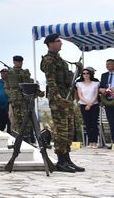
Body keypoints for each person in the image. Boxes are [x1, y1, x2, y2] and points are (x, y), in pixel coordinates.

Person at [41, 33, 84, 172]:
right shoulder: (49, 60)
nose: (61, 43)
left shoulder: (60, 59)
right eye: (58, 41)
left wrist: (79, 69)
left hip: (67, 98)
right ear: (50, 44)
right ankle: (61, 161)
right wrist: (58, 98)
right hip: (59, 99)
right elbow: (51, 81)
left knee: (69, 129)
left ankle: (67, 159)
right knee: (61, 130)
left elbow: (68, 79)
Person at [5, 55, 37, 141]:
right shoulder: (9, 73)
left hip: (24, 99)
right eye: (18, 62)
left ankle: (26, 138)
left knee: (26, 119)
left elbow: (29, 83)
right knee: (15, 119)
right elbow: (6, 86)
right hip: (15, 100)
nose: (20, 63)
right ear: (14, 62)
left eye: (21, 62)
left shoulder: (24, 72)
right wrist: (11, 94)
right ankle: (17, 138)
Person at [76, 68, 100, 148]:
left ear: (90, 74)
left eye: (87, 73)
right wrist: (87, 103)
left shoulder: (95, 83)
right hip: (84, 105)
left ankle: (95, 142)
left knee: (94, 123)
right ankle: (90, 142)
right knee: (87, 123)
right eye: (84, 73)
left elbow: (96, 95)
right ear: (82, 75)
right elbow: (80, 95)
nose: (85, 75)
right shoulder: (79, 84)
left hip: (94, 105)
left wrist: (90, 104)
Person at [98, 59, 114, 143]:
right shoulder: (104, 75)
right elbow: (100, 87)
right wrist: (101, 90)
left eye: (110, 64)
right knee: (111, 121)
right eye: (106, 64)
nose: (107, 66)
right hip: (108, 101)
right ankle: (113, 141)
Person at [0, 68, 11, 133]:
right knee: (0, 123)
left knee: (9, 122)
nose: (2, 74)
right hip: (0, 105)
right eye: (1, 73)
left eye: (4, 73)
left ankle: (10, 135)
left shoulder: (11, 82)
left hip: (9, 105)